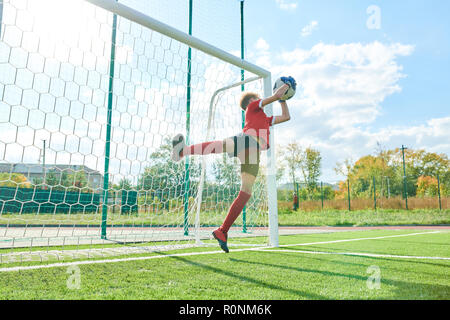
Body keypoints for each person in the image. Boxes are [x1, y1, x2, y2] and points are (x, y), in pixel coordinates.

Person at [172, 76, 296, 252]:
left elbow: (286, 116)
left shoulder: (266, 119)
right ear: (252, 101)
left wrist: (284, 98)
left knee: (246, 192)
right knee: (218, 146)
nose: (260, 100)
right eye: (258, 98)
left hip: (254, 152)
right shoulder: (253, 107)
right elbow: (274, 97)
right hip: (247, 139)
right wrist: (284, 89)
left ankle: (223, 231)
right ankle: (182, 151)